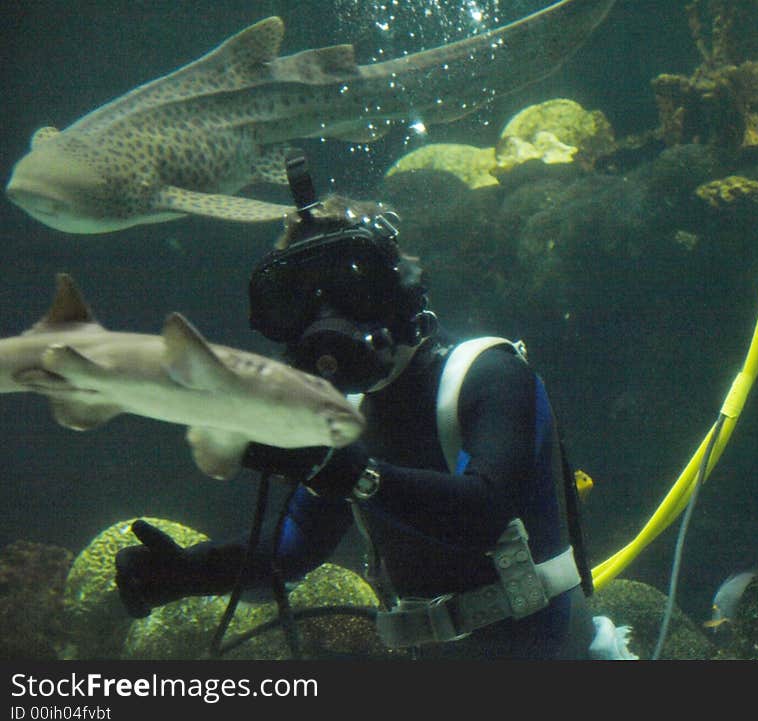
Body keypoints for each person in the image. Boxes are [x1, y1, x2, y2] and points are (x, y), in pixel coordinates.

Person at [115, 156, 629, 660]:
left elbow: (487, 512)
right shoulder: (347, 416)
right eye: (298, 302)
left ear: (400, 289)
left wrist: (353, 475)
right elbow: (291, 549)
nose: (325, 323)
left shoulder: (488, 375)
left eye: (352, 288)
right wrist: (190, 572)